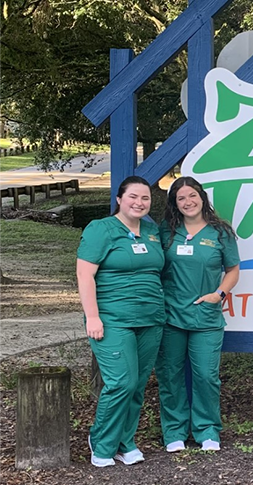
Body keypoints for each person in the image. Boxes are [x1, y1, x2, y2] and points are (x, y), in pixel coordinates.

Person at [77, 176, 165, 467]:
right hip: (113, 319)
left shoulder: (152, 232)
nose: (139, 203)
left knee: (137, 384)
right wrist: (93, 316)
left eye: (145, 198)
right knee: (120, 383)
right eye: (133, 197)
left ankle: (125, 442)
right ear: (119, 199)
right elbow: (85, 275)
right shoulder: (101, 229)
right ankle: (102, 441)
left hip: (150, 318)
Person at [156, 176, 240, 453]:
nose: (187, 202)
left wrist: (219, 294)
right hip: (170, 316)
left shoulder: (220, 233)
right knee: (170, 375)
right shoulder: (166, 232)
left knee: (206, 376)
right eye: (180, 198)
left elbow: (233, 270)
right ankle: (174, 432)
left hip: (206, 317)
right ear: (174, 204)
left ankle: (207, 430)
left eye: (192, 196)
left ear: (202, 198)